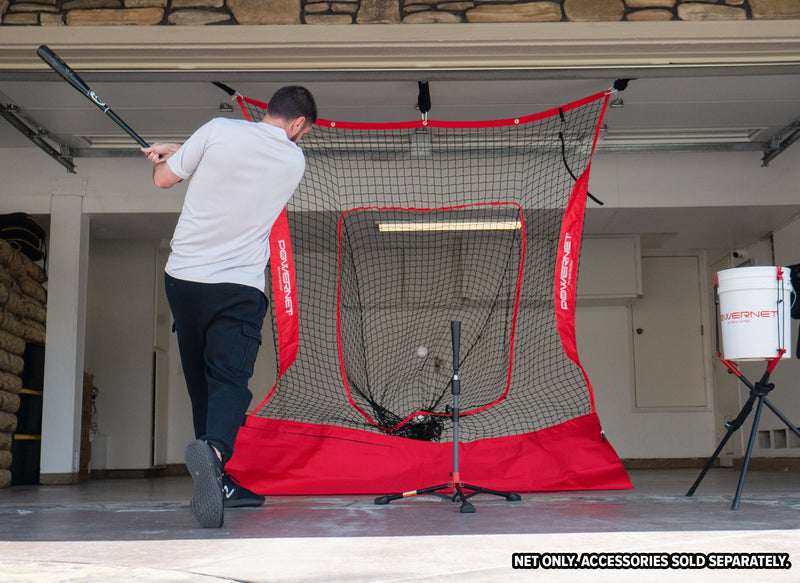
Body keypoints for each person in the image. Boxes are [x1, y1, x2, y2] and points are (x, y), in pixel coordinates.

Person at [142, 86, 317, 528]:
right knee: (230, 382)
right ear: (297, 125)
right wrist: (181, 152)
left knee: (203, 382)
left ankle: (216, 480)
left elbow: (164, 180)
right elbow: (242, 164)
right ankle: (215, 453)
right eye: (305, 132)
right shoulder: (294, 161)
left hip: (182, 278)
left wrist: (170, 158)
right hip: (236, 286)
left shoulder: (218, 130)